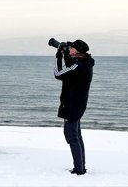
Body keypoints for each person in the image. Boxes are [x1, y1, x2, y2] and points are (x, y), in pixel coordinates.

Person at [53, 39, 94, 175]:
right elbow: (72, 67)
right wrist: (66, 54)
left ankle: (79, 169)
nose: (69, 49)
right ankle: (81, 166)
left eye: (71, 48)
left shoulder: (79, 65)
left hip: (71, 106)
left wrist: (58, 57)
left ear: (77, 51)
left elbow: (58, 74)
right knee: (77, 136)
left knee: (71, 137)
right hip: (79, 104)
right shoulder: (85, 62)